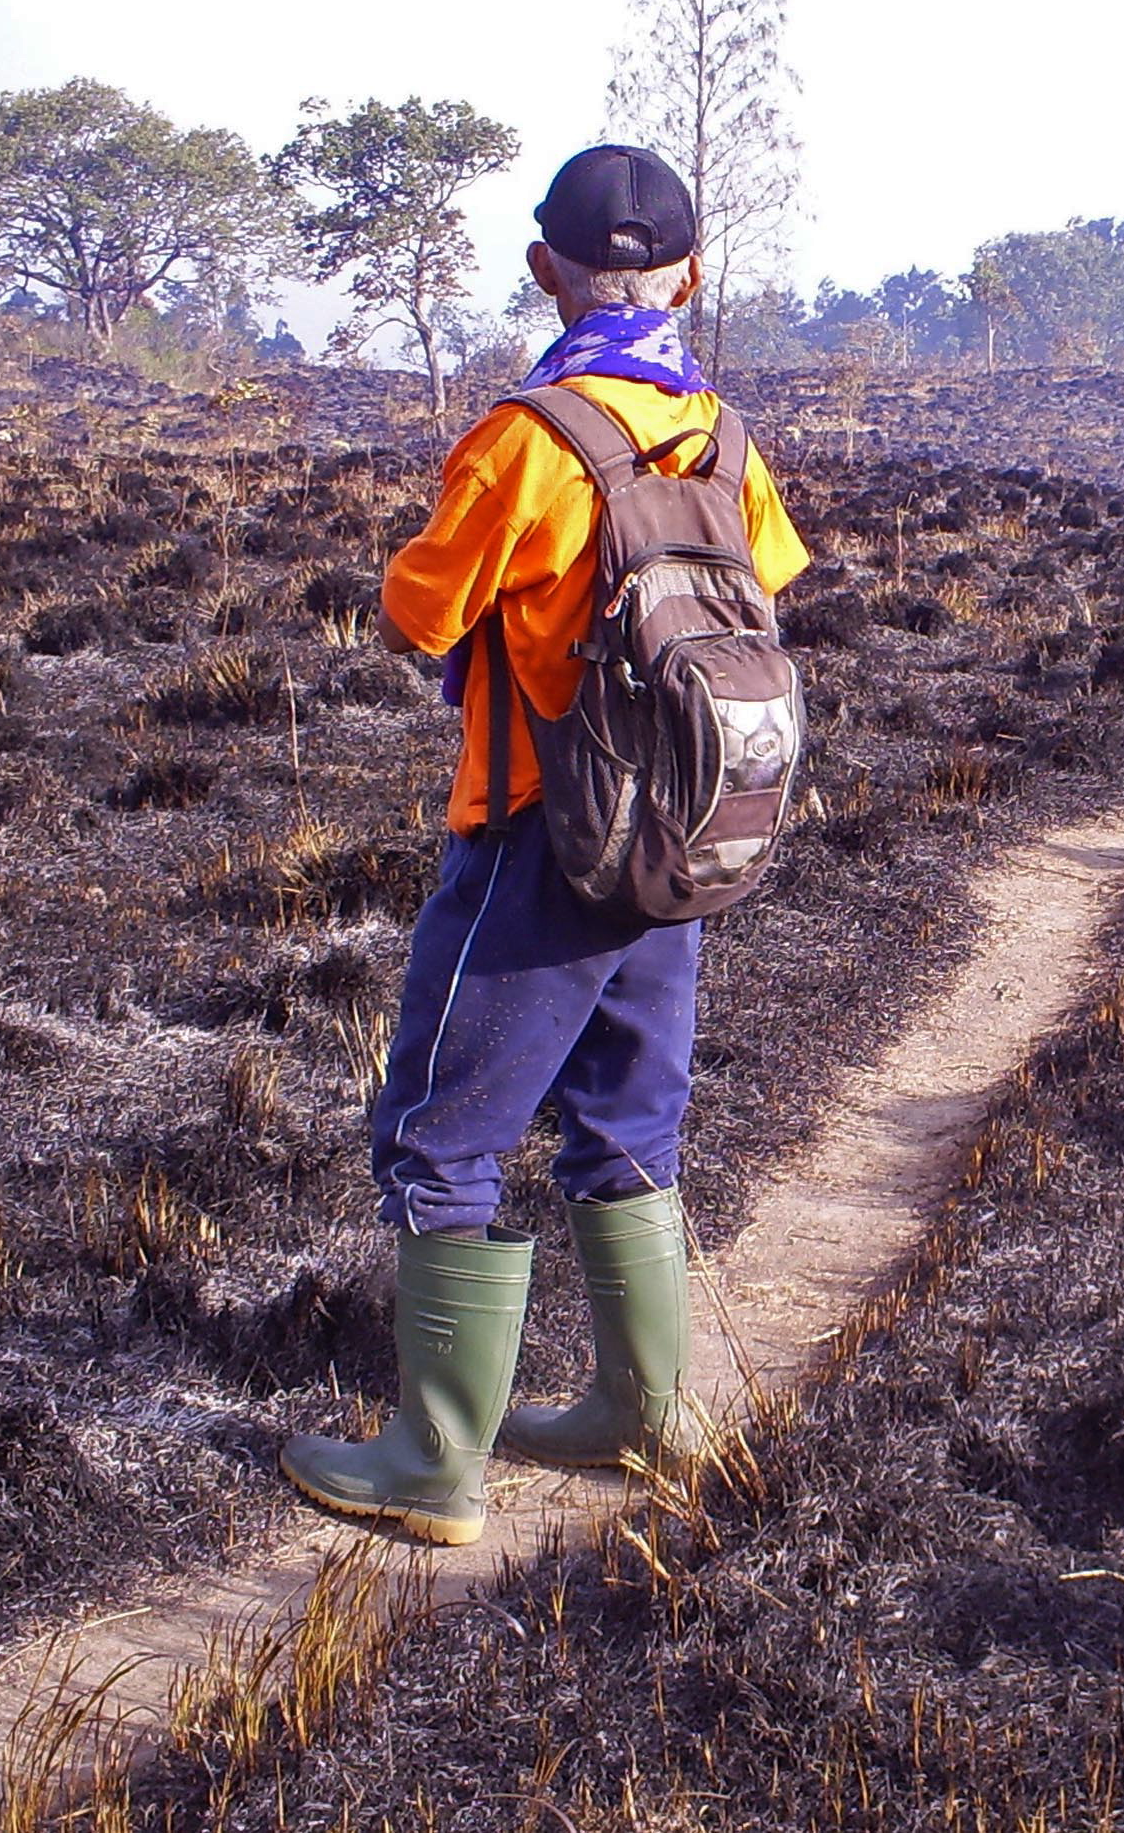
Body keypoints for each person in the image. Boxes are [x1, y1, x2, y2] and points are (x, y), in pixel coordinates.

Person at [279, 144, 810, 1546]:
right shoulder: (727, 440)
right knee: (631, 1123)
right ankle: (644, 1413)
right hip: (677, 850)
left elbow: (417, 611)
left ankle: (433, 1460)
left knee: (438, 1134)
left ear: (544, 269)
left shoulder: (528, 439)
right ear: (691, 275)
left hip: (536, 843)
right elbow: (767, 594)